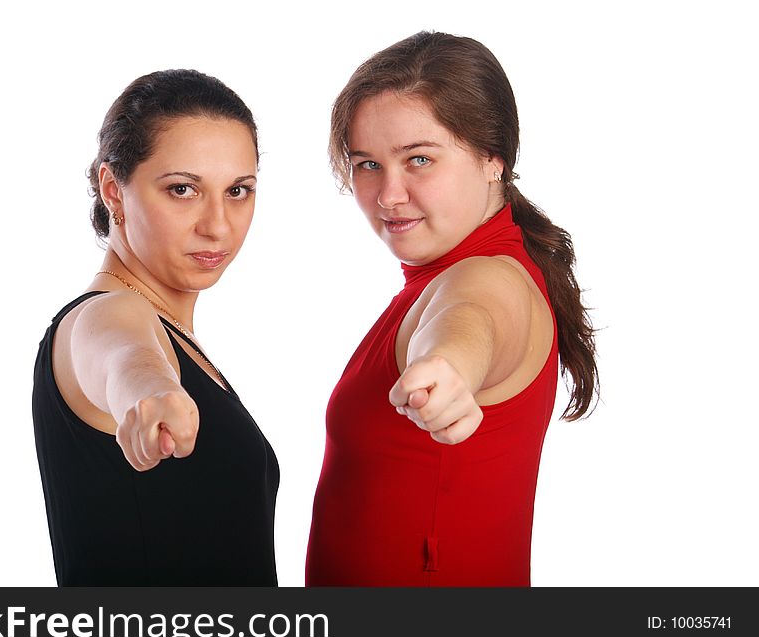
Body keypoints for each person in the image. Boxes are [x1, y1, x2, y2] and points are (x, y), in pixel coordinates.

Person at [306, 32, 598, 586]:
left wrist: (451, 366)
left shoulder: (488, 277)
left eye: (419, 159)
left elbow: (471, 318)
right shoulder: (442, 276)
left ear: (493, 159)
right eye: (367, 164)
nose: (388, 195)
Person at [32, 69, 278, 586]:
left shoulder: (179, 337)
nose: (218, 223)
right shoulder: (104, 314)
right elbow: (124, 353)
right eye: (183, 189)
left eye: (238, 190)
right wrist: (151, 389)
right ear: (113, 190)